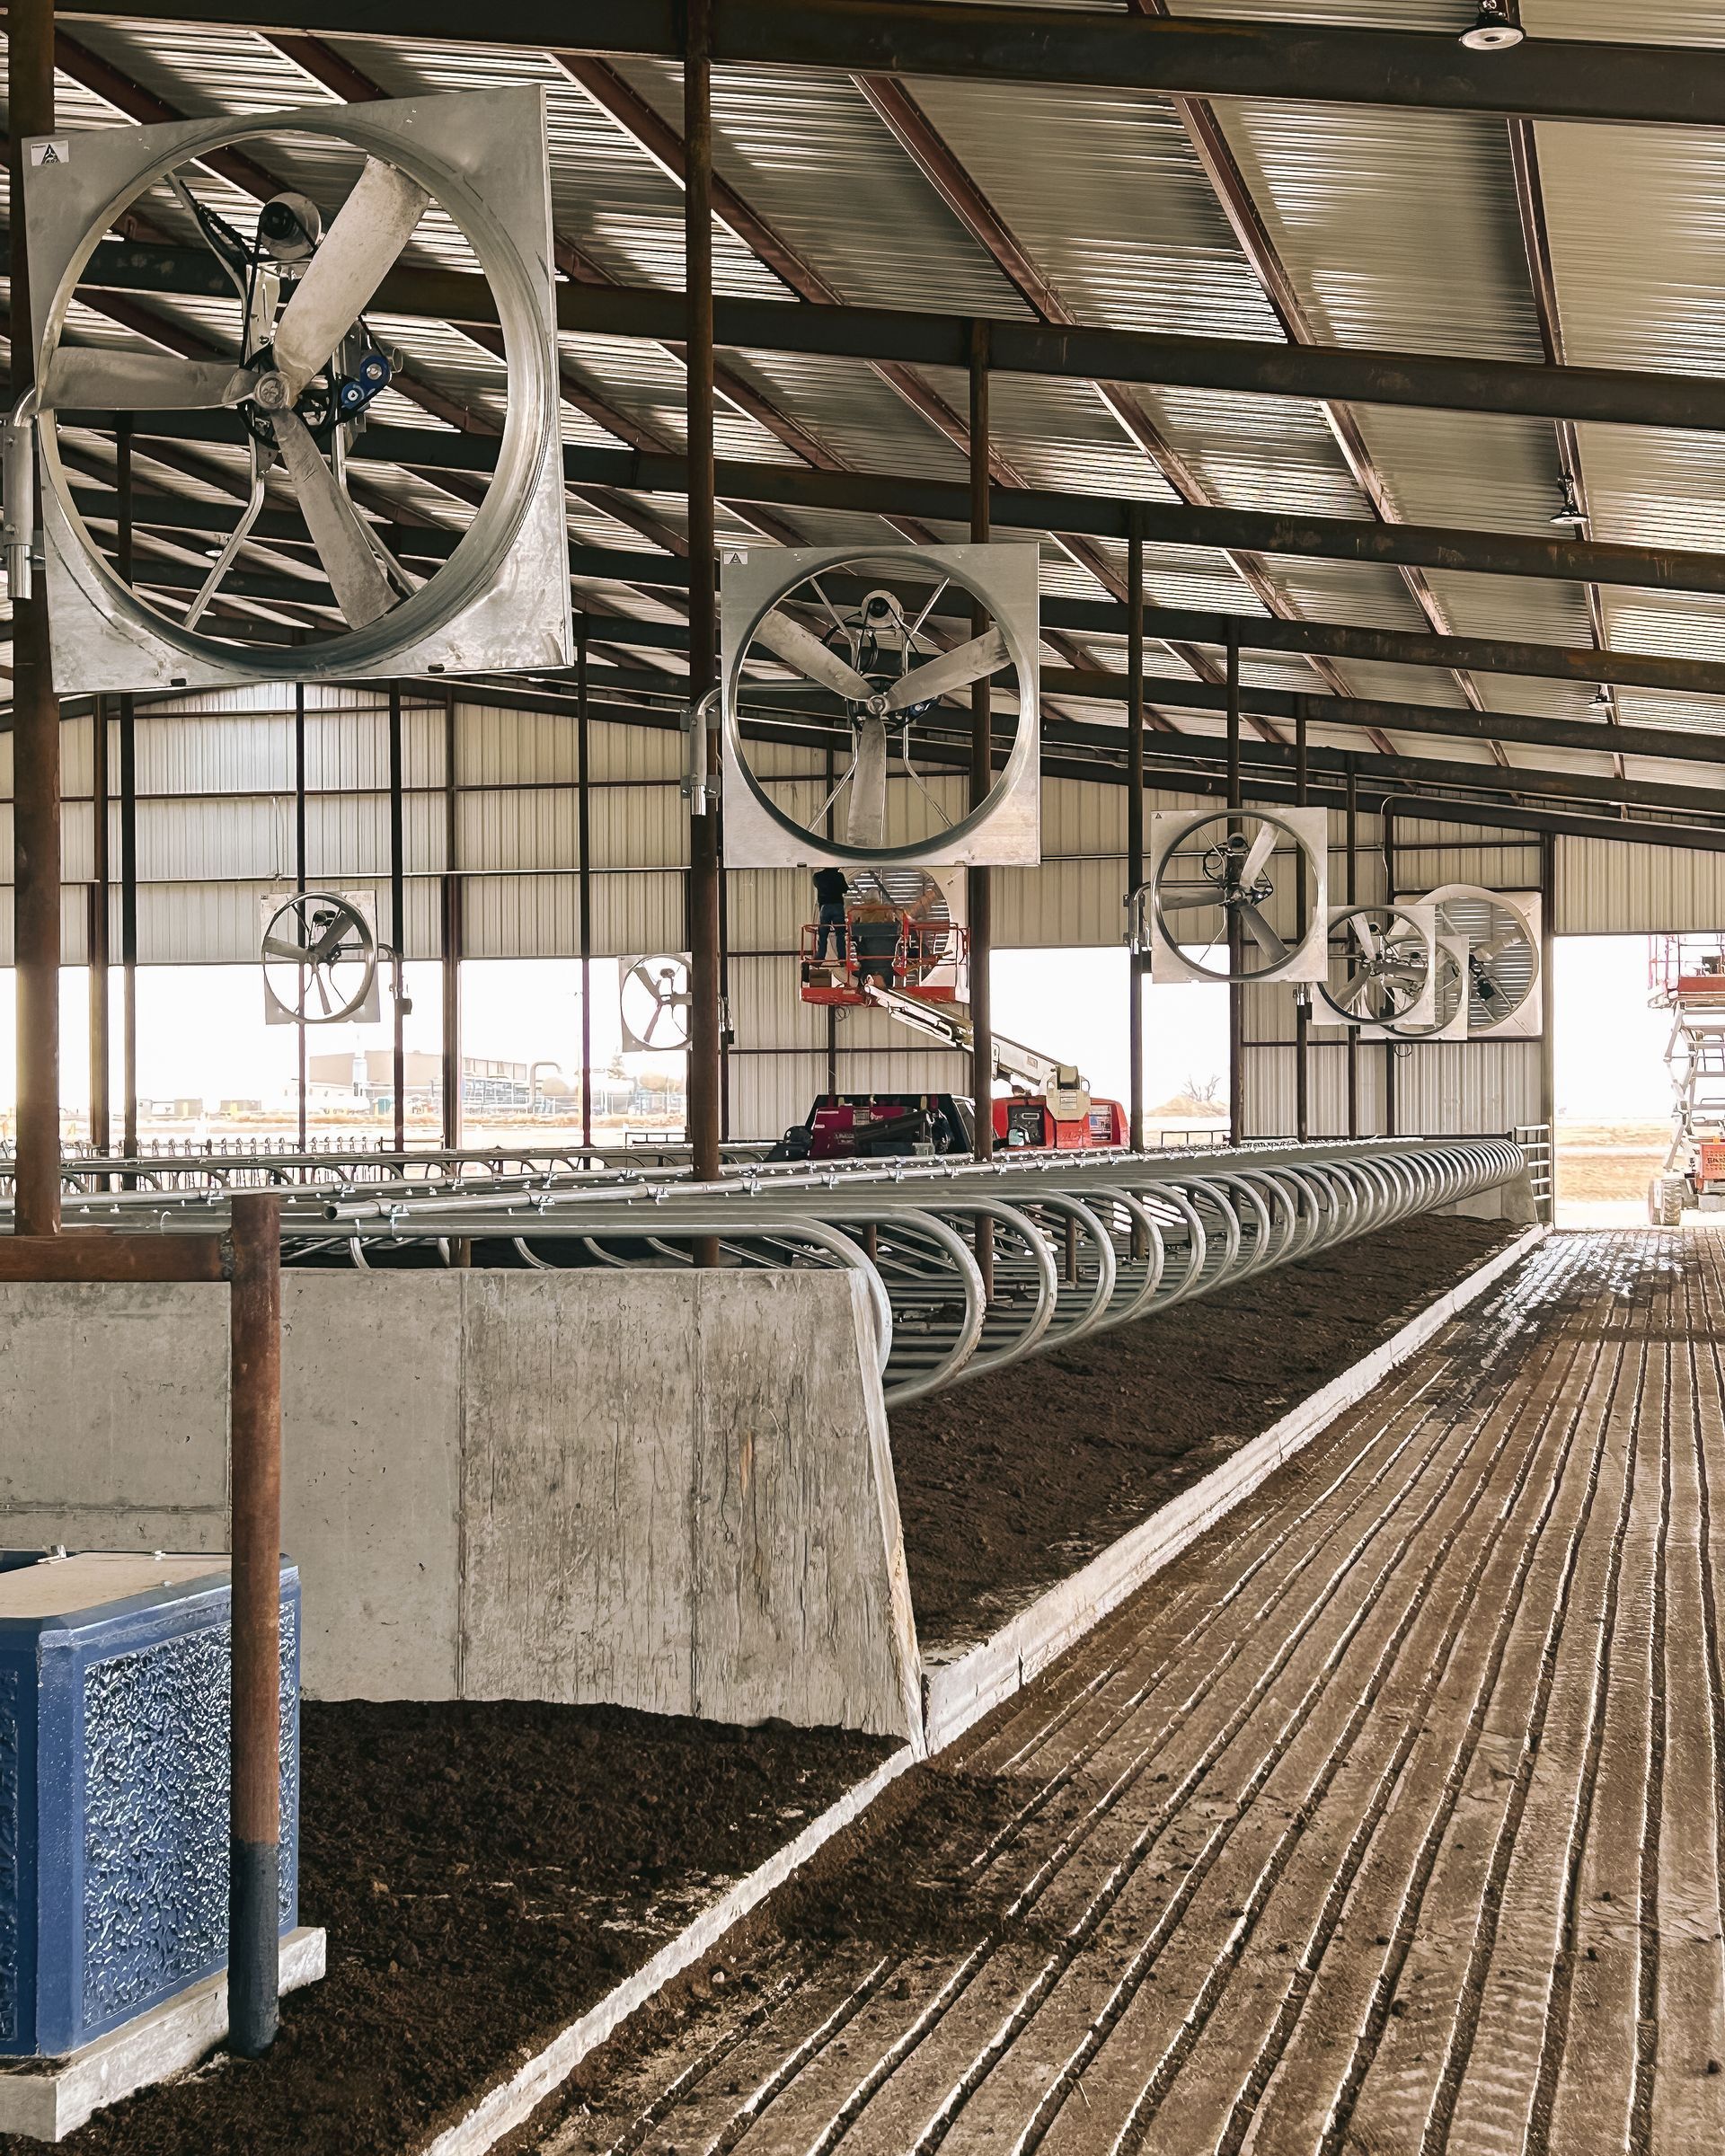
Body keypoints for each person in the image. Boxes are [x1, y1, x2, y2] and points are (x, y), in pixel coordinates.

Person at [852, 899, 902, 991]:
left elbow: (854, 939)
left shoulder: (861, 928)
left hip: (868, 967)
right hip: (884, 968)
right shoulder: (891, 931)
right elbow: (898, 931)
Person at [812, 866, 849, 967]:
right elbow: (845, 889)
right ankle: (842, 959)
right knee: (840, 935)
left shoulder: (817, 876)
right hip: (838, 906)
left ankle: (820, 958)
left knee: (823, 935)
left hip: (825, 907)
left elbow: (817, 885)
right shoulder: (839, 876)